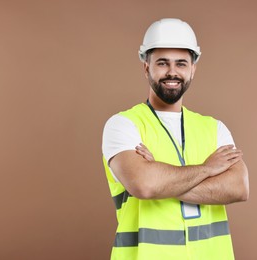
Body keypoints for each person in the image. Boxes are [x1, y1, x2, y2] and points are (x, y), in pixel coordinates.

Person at [102, 18, 249, 260]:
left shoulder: (214, 128)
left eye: (181, 63)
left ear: (193, 69)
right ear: (146, 67)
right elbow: (145, 185)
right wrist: (208, 169)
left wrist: (163, 177)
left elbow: (239, 188)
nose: (172, 72)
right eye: (162, 63)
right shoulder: (123, 125)